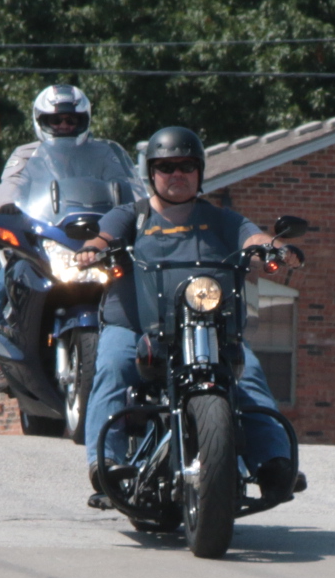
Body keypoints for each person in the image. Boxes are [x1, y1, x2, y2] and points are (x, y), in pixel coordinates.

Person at [79, 125, 299, 504]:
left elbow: (253, 237)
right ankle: (106, 464)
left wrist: (272, 249)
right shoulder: (132, 216)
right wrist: (92, 249)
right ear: (152, 173)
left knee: (248, 374)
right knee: (113, 366)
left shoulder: (222, 220)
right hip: (136, 328)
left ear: (199, 171)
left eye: (186, 166)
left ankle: (274, 463)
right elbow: (103, 237)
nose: (177, 174)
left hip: (209, 326)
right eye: (166, 167)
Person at [0, 86, 135, 212]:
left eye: (71, 120)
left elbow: (122, 183)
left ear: (83, 121)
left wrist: (139, 206)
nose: (64, 126)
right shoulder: (25, 154)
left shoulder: (101, 152)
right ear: (41, 121)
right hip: (42, 226)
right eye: (55, 120)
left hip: (96, 222)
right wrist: (8, 202)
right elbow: (12, 181)